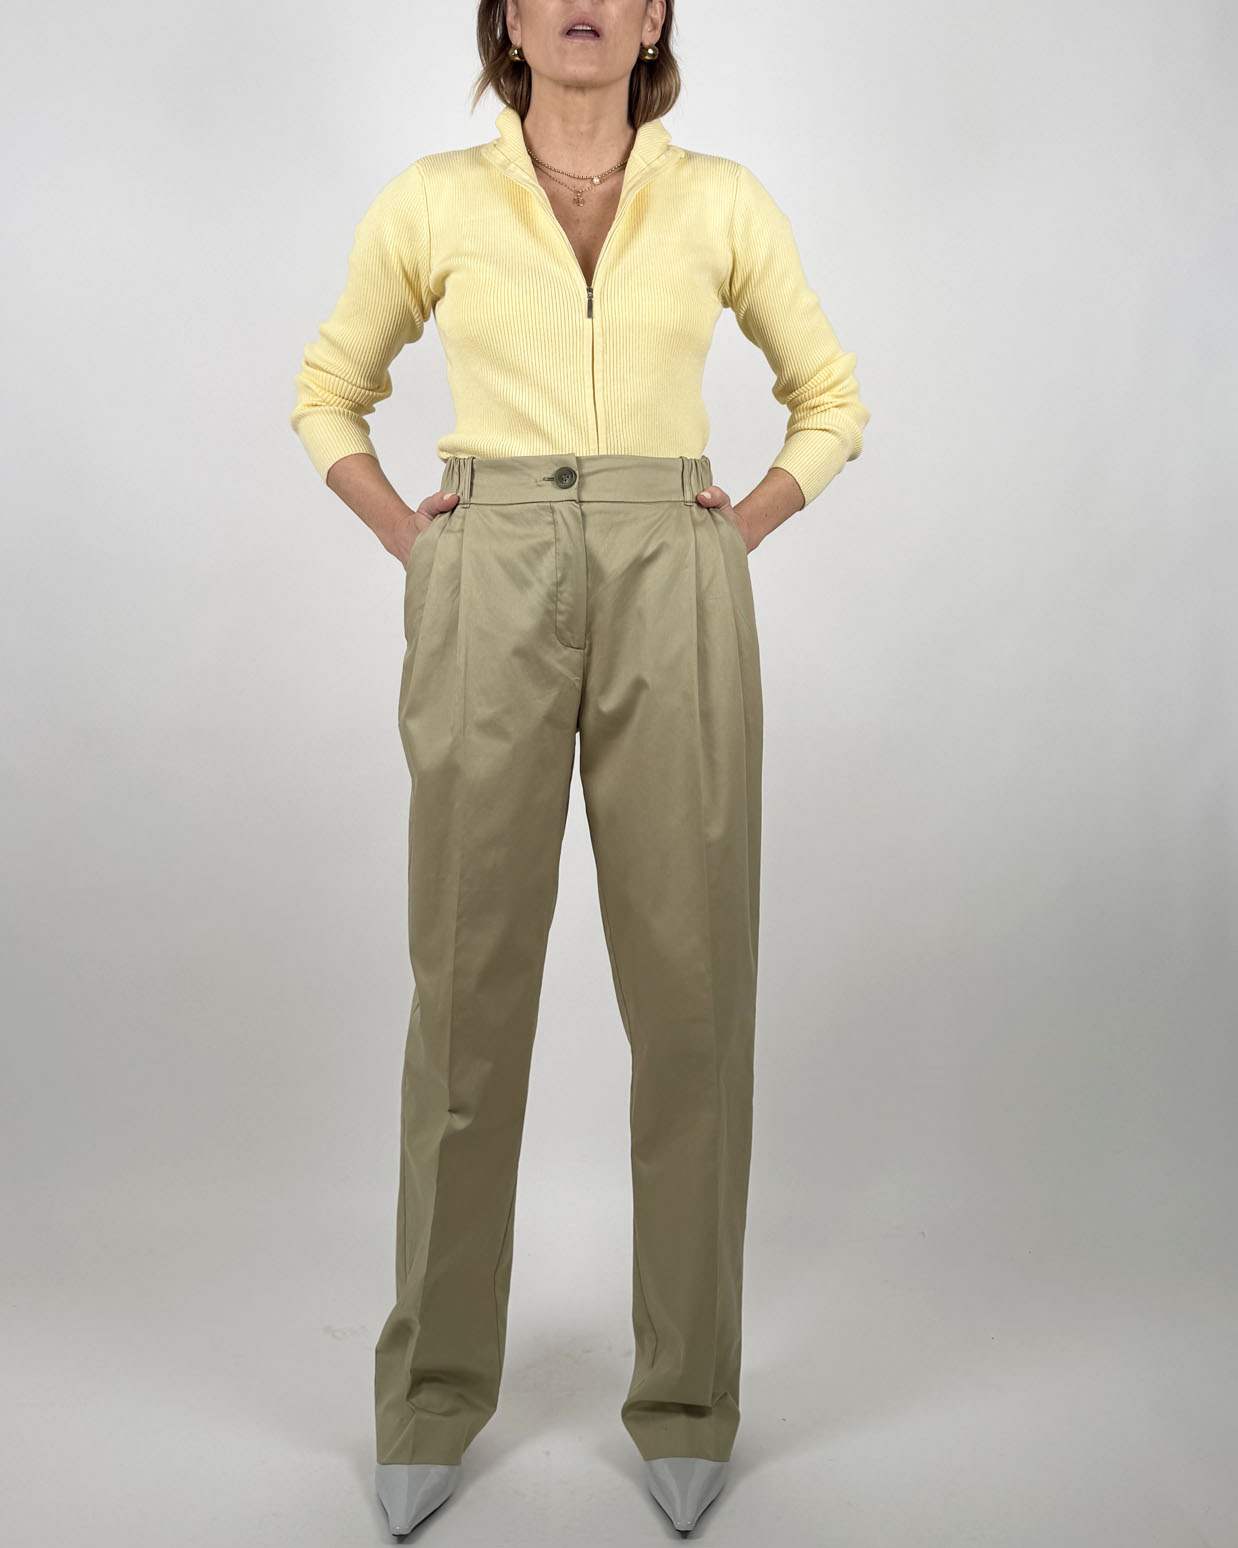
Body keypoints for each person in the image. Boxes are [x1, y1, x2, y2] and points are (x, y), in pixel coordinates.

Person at [290, 0, 870, 1534]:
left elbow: (830, 398)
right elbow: (327, 391)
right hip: (486, 564)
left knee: (691, 999)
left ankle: (686, 1400)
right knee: (465, 991)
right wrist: (418, 545)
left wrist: (734, 532)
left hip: (672, 565)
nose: (583, 4)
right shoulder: (434, 198)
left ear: (658, 14)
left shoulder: (719, 199)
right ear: (505, 17)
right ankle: (429, 1400)